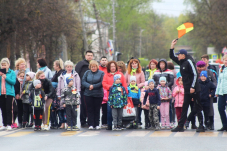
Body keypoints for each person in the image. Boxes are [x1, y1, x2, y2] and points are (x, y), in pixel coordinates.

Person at [170, 39, 205, 132]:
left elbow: (195, 74)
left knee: (197, 107)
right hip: (186, 89)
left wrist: (193, 87)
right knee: (185, 106)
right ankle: (180, 126)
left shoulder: (189, 61)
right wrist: (172, 46)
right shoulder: (181, 62)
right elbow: (171, 56)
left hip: (194, 88)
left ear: (183, 55)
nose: (177, 56)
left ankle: (202, 125)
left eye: (179, 54)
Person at [102, 61, 128, 130]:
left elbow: (124, 85)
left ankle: (119, 125)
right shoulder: (106, 75)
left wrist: (126, 94)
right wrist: (111, 87)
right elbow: (104, 84)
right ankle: (109, 125)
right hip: (111, 96)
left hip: (120, 97)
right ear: (109, 68)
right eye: (111, 66)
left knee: (119, 113)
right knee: (110, 111)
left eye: (114, 66)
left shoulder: (120, 74)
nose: (113, 68)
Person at [57, 60, 81, 129]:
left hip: (73, 95)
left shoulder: (75, 74)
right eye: (68, 67)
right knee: (67, 113)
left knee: (74, 113)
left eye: (70, 66)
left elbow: (78, 84)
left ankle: (74, 124)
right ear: (65, 67)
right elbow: (59, 85)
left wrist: (78, 92)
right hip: (66, 94)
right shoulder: (62, 75)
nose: (69, 68)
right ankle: (68, 124)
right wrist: (59, 94)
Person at [82, 60, 104, 130]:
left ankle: (97, 124)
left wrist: (93, 86)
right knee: (89, 109)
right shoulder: (87, 73)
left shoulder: (101, 73)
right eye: (92, 67)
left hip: (98, 94)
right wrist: (89, 86)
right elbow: (83, 81)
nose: (93, 68)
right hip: (88, 94)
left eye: (94, 67)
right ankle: (91, 124)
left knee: (97, 109)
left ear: (97, 67)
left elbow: (102, 82)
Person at [196, 60, 217, 130]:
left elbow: (214, 81)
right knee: (197, 109)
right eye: (200, 67)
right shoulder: (196, 73)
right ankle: (199, 124)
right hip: (199, 95)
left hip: (208, 95)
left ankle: (210, 123)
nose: (201, 68)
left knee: (209, 110)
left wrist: (211, 91)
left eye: (202, 66)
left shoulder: (209, 72)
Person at [75, 50, 94, 128]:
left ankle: (91, 121)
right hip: (83, 88)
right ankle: (83, 121)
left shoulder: (94, 64)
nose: (89, 56)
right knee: (83, 106)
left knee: (91, 106)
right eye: (88, 55)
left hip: (92, 88)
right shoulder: (81, 64)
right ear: (85, 56)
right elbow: (77, 75)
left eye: (91, 55)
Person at [125, 58, 145, 127]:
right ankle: (130, 122)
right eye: (132, 63)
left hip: (137, 92)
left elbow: (143, 82)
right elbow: (125, 81)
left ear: (137, 64)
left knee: (137, 108)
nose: (134, 65)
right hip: (130, 92)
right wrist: (129, 87)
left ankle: (138, 121)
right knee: (130, 108)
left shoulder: (141, 72)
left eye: (135, 63)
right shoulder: (128, 72)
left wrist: (137, 86)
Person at [0, 58, 16, 131]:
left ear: (8, 65)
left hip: (9, 93)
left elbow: (13, 82)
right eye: (2, 65)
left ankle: (9, 124)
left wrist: (5, 77)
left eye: (5, 65)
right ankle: (4, 124)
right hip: (1, 93)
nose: (3, 66)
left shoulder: (11, 72)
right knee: (3, 109)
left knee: (8, 109)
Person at [14, 58, 30, 128]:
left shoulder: (28, 71)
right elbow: (15, 84)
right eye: (21, 64)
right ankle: (20, 122)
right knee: (19, 108)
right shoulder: (15, 72)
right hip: (19, 93)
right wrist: (17, 93)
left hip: (26, 93)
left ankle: (26, 121)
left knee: (27, 109)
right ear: (18, 65)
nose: (23, 65)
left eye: (24, 64)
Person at [50, 59, 65, 129]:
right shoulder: (57, 72)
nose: (53, 66)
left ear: (58, 66)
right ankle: (55, 123)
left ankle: (59, 123)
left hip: (58, 93)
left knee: (58, 108)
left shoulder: (61, 73)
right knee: (55, 108)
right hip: (55, 93)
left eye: (54, 65)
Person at [215, 55, 227, 131]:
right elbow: (219, 81)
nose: (226, 61)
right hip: (222, 92)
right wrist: (217, 91)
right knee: (220, 108)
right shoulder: (221, 69)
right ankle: (225, 125)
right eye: (225, 60)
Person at [99, 56, 108, 128]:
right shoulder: (98, 68)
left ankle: (107, 122)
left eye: (105, 60)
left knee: (106, 108)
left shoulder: (108, 69)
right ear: (100, 61)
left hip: (107, 90)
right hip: (99, 89)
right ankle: (101, 123)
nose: (104, 61)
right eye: (103, 60)